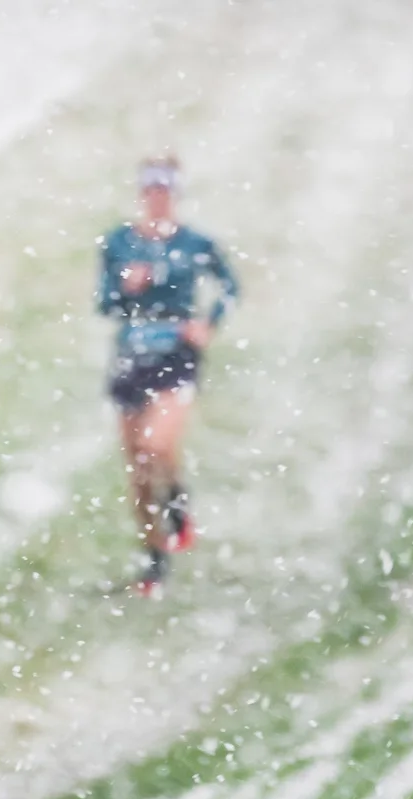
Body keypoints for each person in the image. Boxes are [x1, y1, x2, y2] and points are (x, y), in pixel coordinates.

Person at [97, 155, 239, 598]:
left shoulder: (195, 244)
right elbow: (106, 304)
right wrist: (126, 287)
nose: (157, 200)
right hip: (131, 354)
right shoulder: (120, 243)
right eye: (151, 192)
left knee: (156, 445)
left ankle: (177, 500)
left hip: (176, 352)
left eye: (165, 192)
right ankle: (153, 558)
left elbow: (230, 288)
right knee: (137, 468)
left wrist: (208, 322)